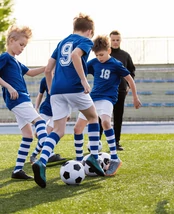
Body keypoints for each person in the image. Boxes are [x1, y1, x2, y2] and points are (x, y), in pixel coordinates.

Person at [32, 13, 105, 188]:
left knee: (58, 130)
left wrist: (51, 90)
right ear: (89, 31)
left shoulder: (62, 41)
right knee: (93, 117)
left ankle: (42, 161)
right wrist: (83, 79)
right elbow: (75, 56)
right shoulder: (86, 41)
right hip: (74, 87)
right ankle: (94, 156)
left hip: (56, 90)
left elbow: (48, 69)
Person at [73, 35, 141, 176]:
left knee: (105, 122)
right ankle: (79, 161)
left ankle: (115, 158)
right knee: (77, 128)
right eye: (97, 55)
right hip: (92, 99)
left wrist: (135, 96)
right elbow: (81, 69)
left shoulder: (116, 64)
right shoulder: (94, 63)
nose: (99, 57)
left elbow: (130, 79)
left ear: (109, 51)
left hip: (107, 99)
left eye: (102, 54)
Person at [0, 25, 47, 180]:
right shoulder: (5, 57)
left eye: (24, 46)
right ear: (11, 40)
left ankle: (17, 170)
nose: (22, 49)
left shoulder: (17, 62)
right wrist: (9, 86)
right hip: (17, 99)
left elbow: (32, 73)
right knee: (40, 122)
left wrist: (49, 66)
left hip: (22, 99)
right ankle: (48, 151)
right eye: (21, 45)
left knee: (28, 135)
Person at [99, 30, 135, 151]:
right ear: (109, 40)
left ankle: (116, 142)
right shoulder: (104, 54)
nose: (115, 42)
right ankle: (97, 141)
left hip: (120, 91)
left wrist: (128, 86)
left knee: (118, 116)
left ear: (120, 40)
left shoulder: (125, 56)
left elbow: (131, 72)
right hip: (104, 92)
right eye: (113, 40)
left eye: (117, 40)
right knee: (101, 117)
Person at [30, 76, 66, 165]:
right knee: (38, 133)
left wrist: (67, 112)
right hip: (46, 109)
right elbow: (40, 94)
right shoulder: (44, 79)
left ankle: (36, 154)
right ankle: (49, 155)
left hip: (57, 111)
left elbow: (66, 97)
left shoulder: (64, 78)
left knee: (51, 133)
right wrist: (36, 108)